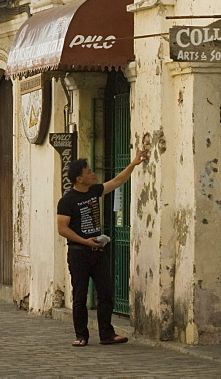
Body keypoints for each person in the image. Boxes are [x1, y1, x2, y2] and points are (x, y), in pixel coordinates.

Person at [57, 149, 149, 347]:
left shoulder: (94, 191)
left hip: (98, 251)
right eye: (89, 172)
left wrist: (133, 163)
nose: (93, 174)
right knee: (80, 295)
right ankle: (81, 335)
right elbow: (62, 229)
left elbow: (116, 182)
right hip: (78, 253)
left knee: (106, 293)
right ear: (79, 178)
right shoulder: (67, 201)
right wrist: (84, 241)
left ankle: (107, 334)